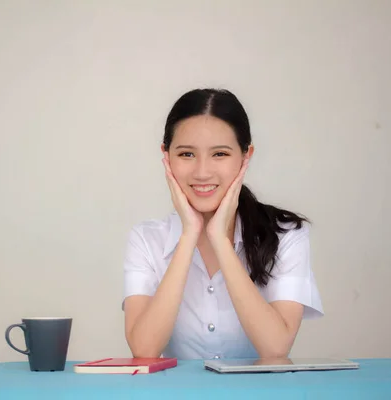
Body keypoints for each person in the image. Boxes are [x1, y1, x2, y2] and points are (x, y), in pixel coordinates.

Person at [122, 88, 323, 360]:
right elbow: (144, 349)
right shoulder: (146, 239)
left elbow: (276, 347)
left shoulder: (286, 235)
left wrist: (220, 239)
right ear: (166, 156)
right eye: (186, 155)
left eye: (220, 154)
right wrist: (189, 234)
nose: (203, 172)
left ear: (246, 156)